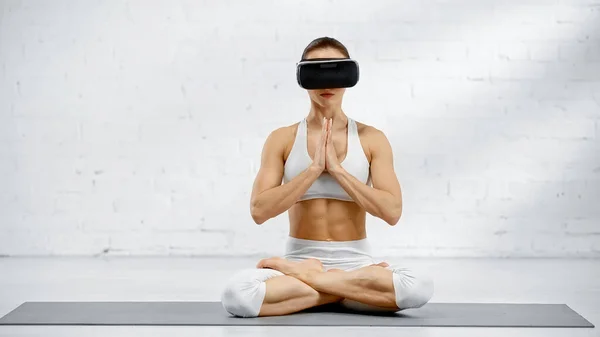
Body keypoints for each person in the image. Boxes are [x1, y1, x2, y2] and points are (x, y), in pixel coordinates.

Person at [220, 37, 434, 318]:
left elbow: (392, 212)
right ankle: (342, 293)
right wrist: (312, 170)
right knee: (237, 296)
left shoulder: (372, 139)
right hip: (308, 261)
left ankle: (315, 285)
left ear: (349, 76)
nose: (327, 83)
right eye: (317, 73)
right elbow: (259, 211)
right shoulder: (282, 139)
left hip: (355, 264)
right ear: (303, 77)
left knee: (420, 287)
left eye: (335, 72)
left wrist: (338, 170)